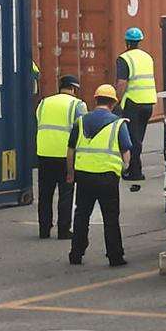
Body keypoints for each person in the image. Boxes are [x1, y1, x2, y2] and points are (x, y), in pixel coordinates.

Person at [68, 84, 129, 268]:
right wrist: (124, 169)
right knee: (110, 218)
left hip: (84, 176)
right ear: (113, 103)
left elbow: (70, 150)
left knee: (81, 215)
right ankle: (115, 257)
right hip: (107, 178)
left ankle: (76, 254)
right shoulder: (118, 123)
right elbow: (126, 152)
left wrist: (71, 173)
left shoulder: (81, 121)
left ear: (96, 100)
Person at [34, 75, 86, 241]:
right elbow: (82, 129)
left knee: (45, 194)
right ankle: (63, 230)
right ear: (73, 89)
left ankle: (44, 229)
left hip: (44, 154)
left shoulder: (44, 103)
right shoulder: (77, 105)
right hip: (65, 156)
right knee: (66, 193)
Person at [115, 28, 158, 190]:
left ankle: (135, 171)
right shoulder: (147, 57)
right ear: (139, 41)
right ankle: (136, 168)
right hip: (148, 103)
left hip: (133, 102)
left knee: (132, 138)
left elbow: (122, 83)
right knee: (139, 137)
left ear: (126, 42)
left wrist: (116, 100)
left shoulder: (124, 58)